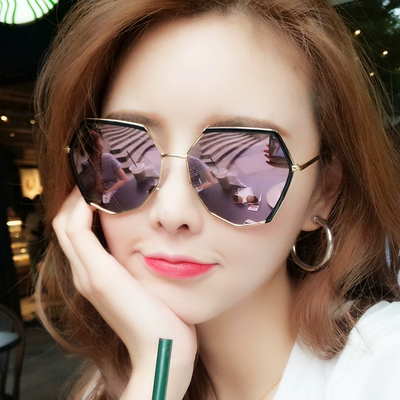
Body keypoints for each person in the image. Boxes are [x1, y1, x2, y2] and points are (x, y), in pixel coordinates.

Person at [34, 0, 400, 399]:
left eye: (240, 163)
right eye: (127, 154)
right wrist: (159, 368)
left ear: (323, 191)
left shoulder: (385, 366)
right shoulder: (114, 384)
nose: (172, 211)